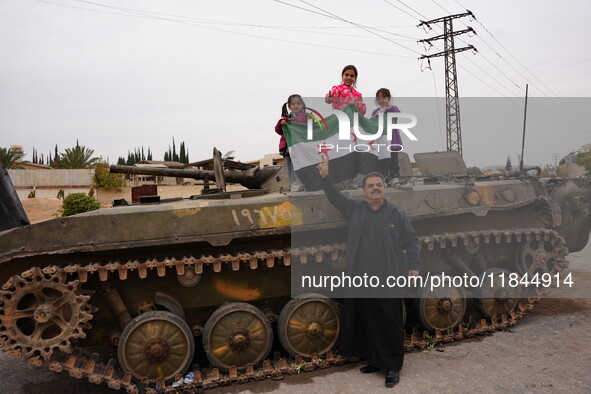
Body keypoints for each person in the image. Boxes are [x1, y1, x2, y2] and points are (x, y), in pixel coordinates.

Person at [316, 154, 420, 388]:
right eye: (371, 186)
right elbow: (334, 197)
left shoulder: (395, 214)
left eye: (379, 185)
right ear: (364, 191)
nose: (375, 189)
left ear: (384, 190)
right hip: (363, 279)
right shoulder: (355, 210)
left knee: (390, 322)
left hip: (388, 278)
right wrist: (325, 177)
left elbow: (412, 242)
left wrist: (413, 267)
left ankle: (392, 366)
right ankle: (375, 359)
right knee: (370, 321)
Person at [371, 88, 403, 186]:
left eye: (384, 98)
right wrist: (374, 117)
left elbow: (397, 113)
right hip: (381, 142)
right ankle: (383, 178)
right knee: (382, 161)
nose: (382, 100)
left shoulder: (393, 109)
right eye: (379, 98)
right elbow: (371, 124)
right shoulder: (375, 112)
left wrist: (388, 106)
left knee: (393, 161)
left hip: (392, 140)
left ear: (388, 98)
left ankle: (394, 177)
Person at [275, 94, 306, 191]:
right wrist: (282, 123)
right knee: (290, 166)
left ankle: (303, 183)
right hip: (289, 147)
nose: (296, 106)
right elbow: (278, 131)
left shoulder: (304, 117)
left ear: (302, 105)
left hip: (300, 147)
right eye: (293, 104)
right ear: (289, 106)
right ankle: (294, 184)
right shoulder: (285, 119)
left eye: (298, 103)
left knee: (301, 165)